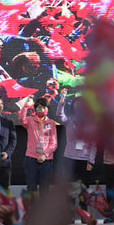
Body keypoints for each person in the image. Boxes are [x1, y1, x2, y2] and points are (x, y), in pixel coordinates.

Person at [57, 89, 97, 218]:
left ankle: (84, 215)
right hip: (69, 158)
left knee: (83, 190)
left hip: (84, 160)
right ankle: (70, 216)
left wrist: (91, 161)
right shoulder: (69, 120)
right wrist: (62, 99)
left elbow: (93, 144)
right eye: (76, 103)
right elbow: (59, 115)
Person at [18, 97, 58, 194]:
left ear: (48, 109)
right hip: (31, 158)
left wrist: (45, 154)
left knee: (45, 188)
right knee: (31, 188)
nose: (42, 109)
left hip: (46, 160)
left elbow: (54, 143)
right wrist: (26, 107)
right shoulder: (30, 120)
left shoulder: (52, 123)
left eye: (44, 107)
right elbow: (21, 119)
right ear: (35, 109)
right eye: (39, 107)